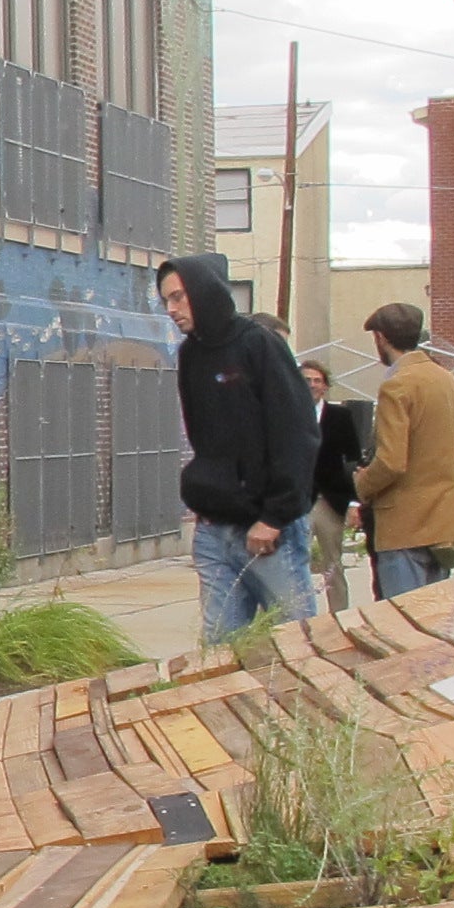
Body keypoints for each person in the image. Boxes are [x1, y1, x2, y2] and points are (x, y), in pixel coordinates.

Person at [159, 255, 317, 642]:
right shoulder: (190, 354)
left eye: (179, 297)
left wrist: (275, 516)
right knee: (220, 648)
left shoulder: (258, 345)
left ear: (204, 291)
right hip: (215, 528)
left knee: (298, 643)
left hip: (268, 530)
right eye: (165, 300)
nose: (171, 309)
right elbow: (204, 439)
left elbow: (297, 435)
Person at [351, 300, 454, 597]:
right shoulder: (448, 380)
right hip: (443, 522)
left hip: (403, 524)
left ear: (381, 337)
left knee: (403, 626)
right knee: (434, 623)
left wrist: (362, 483)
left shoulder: (397, 385)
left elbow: (391, 461)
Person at [303, 360, 362, 617]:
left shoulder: (340, 417)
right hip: (298, 501)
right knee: (296, 563)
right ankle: (300, 617)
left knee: (333, 564)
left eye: (317, 380)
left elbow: (353, 460)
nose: (312, 385)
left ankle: (340, 616)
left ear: (325, 386)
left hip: (330, 500)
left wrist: (354, 503)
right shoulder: (287, 415)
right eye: (306, 380)